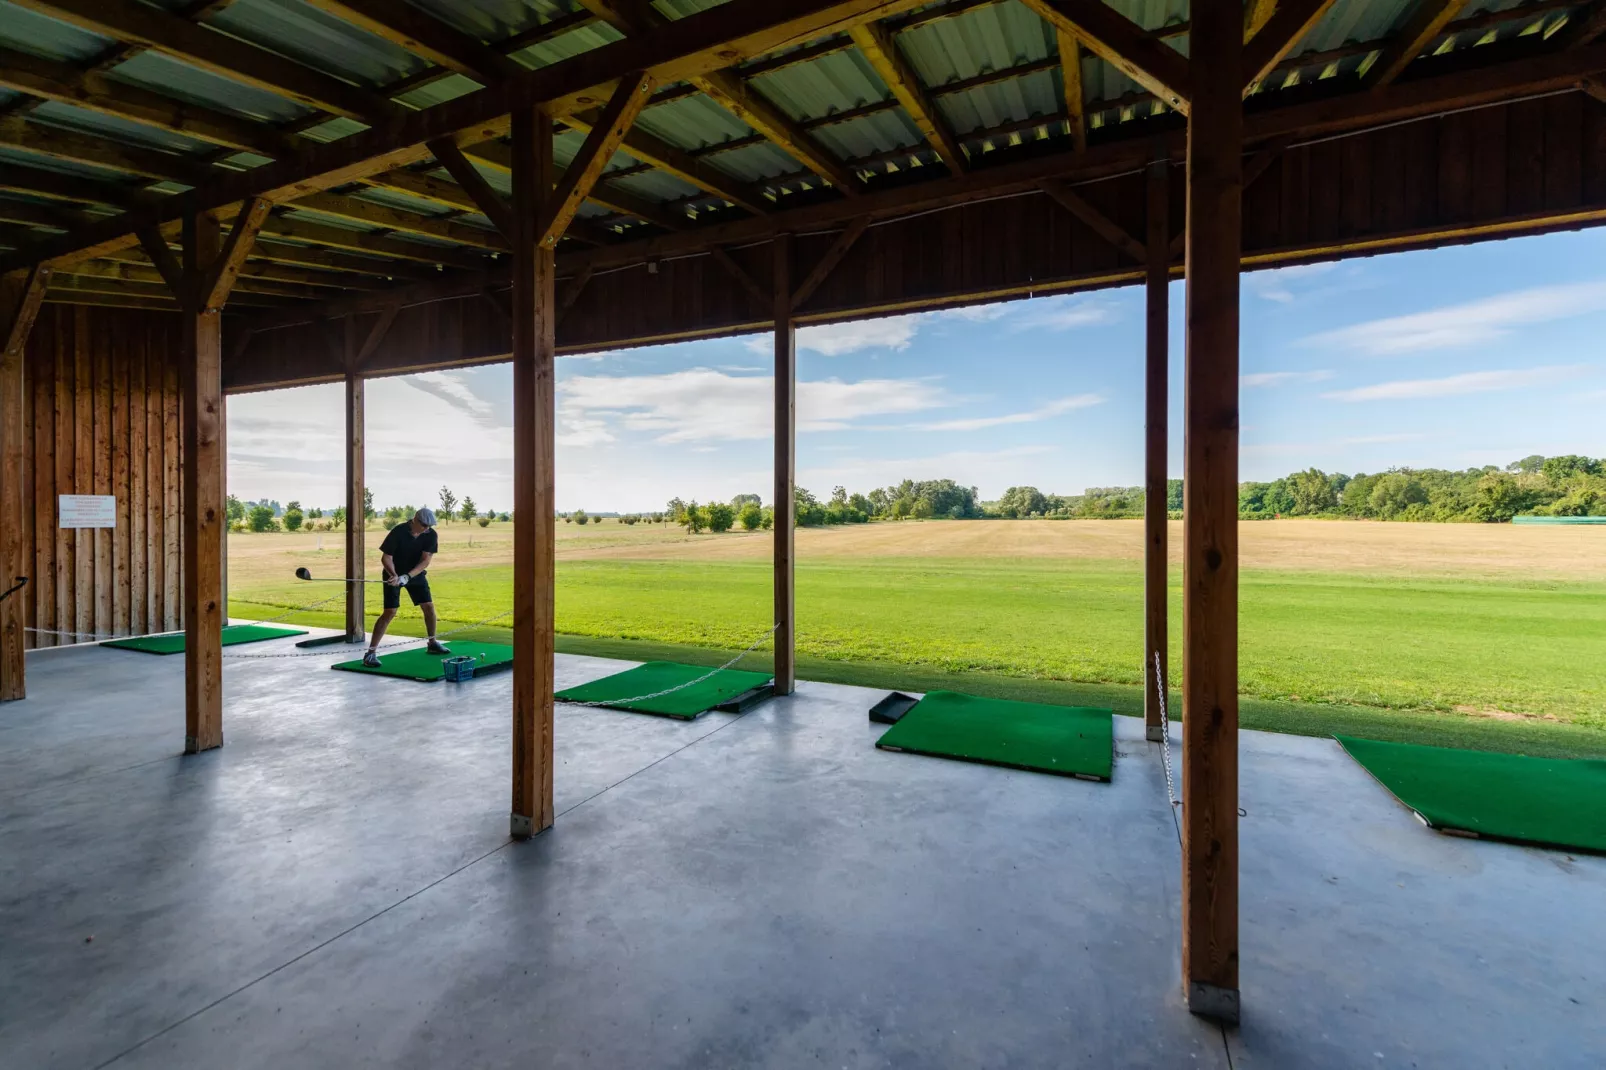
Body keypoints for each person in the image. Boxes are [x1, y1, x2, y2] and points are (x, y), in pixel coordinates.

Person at [363, 508, 449, 667]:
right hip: (393, 573)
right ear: (414, 520)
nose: (426, 528)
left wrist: (408, 576)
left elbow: (425, 560)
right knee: (390, 611)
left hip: (415, 574)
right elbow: (386, 557)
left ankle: (432, 643)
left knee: (428, 607)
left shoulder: (430, 535)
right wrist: (394, 575)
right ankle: (370, 653)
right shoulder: (399, 531)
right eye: (423, 525)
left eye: (429, 525)